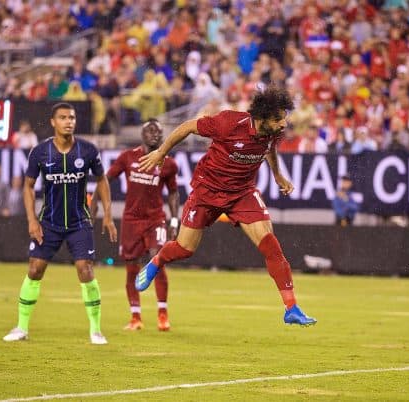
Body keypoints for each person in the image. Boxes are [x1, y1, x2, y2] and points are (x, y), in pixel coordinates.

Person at [135, 86, 316, 326]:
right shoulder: (228, 123)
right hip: (207, 189)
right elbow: (188, 126)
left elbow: (269, 149)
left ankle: (291, 308)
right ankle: (157, 261)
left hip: (242, 192)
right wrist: (161, 152)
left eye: (284, 118)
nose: (283, 124)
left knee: (271, 245)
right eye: (278, 119)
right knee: (184, 249)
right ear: (261, 117)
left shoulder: (272, 131)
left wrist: (277, 176)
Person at [3, 103, 117, 345]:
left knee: (85, 270)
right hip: (49, 222)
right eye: (63, 117)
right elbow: (28, 187)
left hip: (79, 222)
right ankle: (21, 327)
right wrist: (32, 219)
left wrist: (107, 214)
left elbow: (102, 180)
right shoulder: (40, 152)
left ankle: (96, 330)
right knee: (34, 270)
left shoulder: (87, 150)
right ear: (53, 122)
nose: (69, 121)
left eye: (72, 117)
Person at [91, 119, 179, 331]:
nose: (154, 134)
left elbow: (174, 192)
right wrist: (94, 203)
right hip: (131, 221)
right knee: (131, 268)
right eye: (150, 131)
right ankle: (136, 317)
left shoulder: (168, 163)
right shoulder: (128, 157)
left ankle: (162, 314)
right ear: (142, 135)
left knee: (157, 261)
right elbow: (105, 179)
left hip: (155, 219)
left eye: (158, 131)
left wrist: (175, 220)